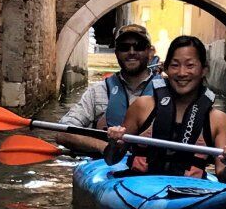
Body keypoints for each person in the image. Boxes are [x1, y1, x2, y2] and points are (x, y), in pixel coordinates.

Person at [105, 35, 226, 182]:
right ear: (166, 69)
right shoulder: (142, 106)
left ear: (204, 70)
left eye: (190, 66)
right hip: (138, 184)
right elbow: (111, 160)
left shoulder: (219, 120)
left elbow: (224, 177)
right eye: (175, 65)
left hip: (189, 190)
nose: (182, 73)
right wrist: (114, 144)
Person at [60, 23, 164, 156]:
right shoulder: (98, 91)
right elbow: (63, 132)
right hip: (105, 163)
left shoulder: (167, 92)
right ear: (116, 53)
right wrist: (104, 147)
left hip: (150, 164)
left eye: (139, 46)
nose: (131, 52)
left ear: (150, 52)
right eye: (124, 47)